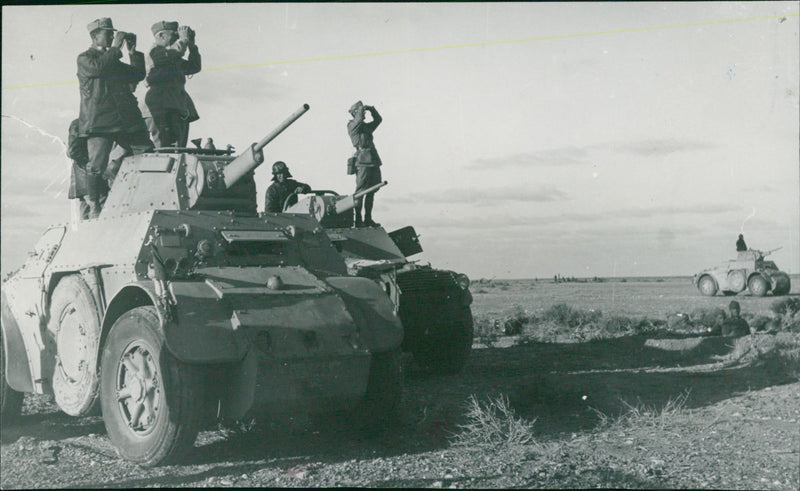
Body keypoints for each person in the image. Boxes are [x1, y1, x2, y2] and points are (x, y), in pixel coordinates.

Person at [77, 18, 154, 218]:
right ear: (94, 36)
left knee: (146, 153)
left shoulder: (113, 60)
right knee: (95, 165)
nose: (112, 36)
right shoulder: (86, 59)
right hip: (100, 122)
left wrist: (132, 51)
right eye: (107, 33)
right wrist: (116, 47)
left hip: (126, 120)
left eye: (113, 33)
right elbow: (99, 68)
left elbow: (137, 74)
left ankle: (118, 177)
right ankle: (94, 205)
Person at [142, 21, 201, 148]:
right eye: (174, 35)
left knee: (177, 147)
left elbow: (194, 67)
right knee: (164, 147)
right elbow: (172, 54)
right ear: (161, 36)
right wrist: (184, 39)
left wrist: (192, 45)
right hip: (159, 104)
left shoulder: (172, 56)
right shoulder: (155, 52)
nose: (177, 38)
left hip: (175, 104)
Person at [347, 101, 383, 227]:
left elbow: (378, 120)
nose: (363, 114)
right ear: (355, 113)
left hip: (372, 160)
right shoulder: (352, 126)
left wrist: (371, 109)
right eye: (360, 111)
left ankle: (368, 219)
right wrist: (362, 109)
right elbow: (358, 119)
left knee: (372, 190)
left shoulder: (366, 127)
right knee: (360, 192)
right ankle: (358, 220)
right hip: (362, 162)